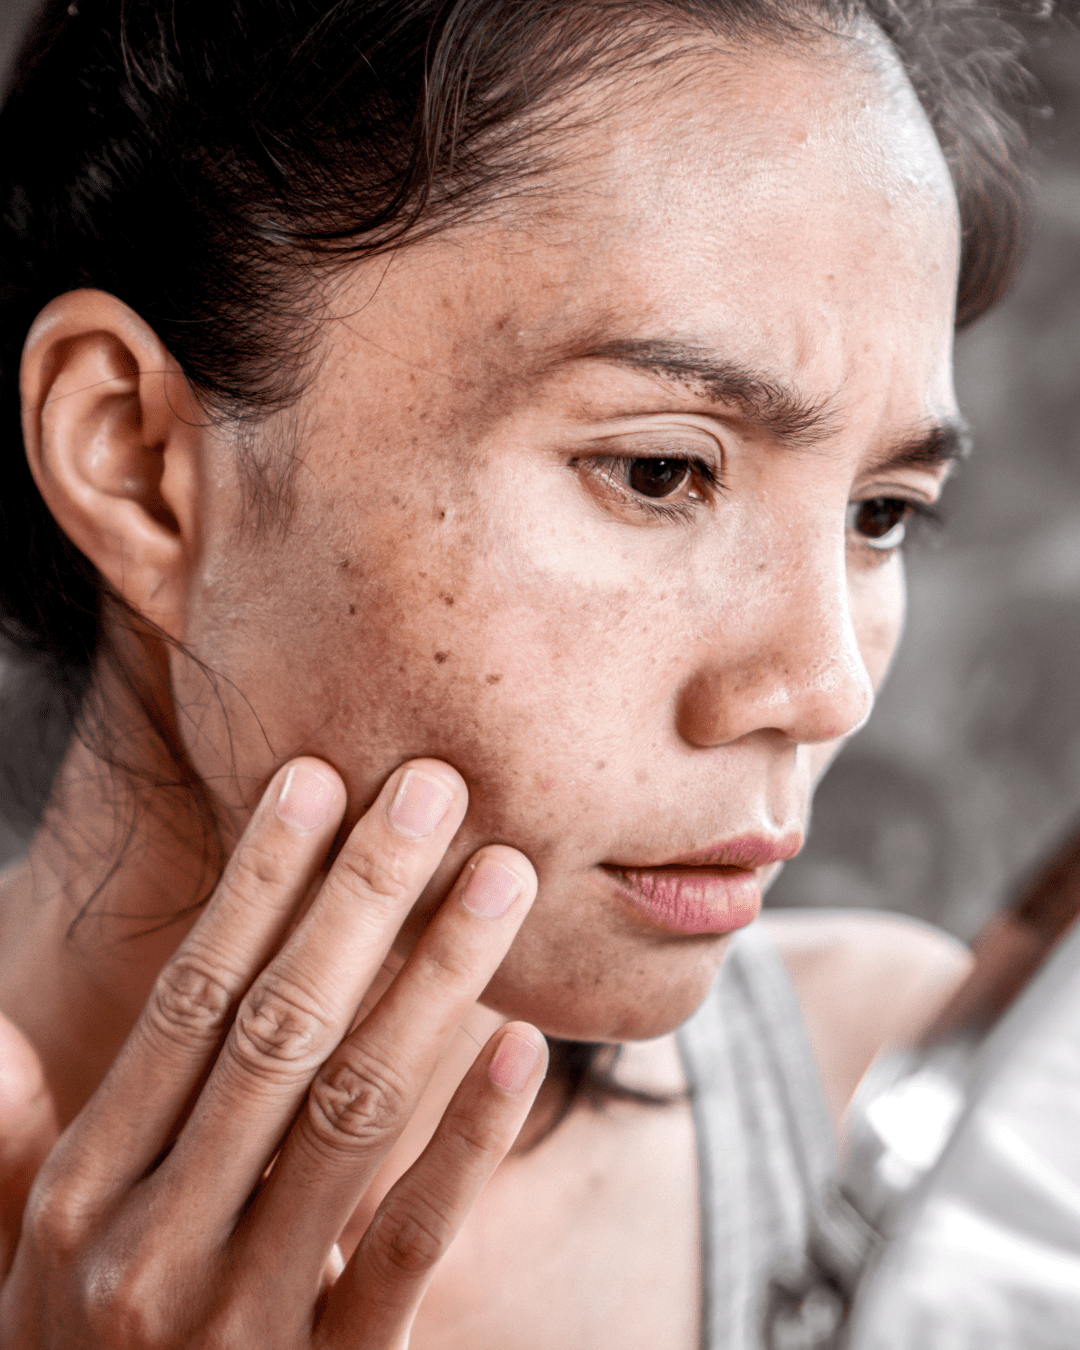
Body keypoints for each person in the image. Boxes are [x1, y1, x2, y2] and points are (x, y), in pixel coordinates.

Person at [0, 0, 1031, 1344]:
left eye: (883, 510)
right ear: (135, 460)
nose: (826, 685)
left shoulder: (919, 1136)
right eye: (660, 469)